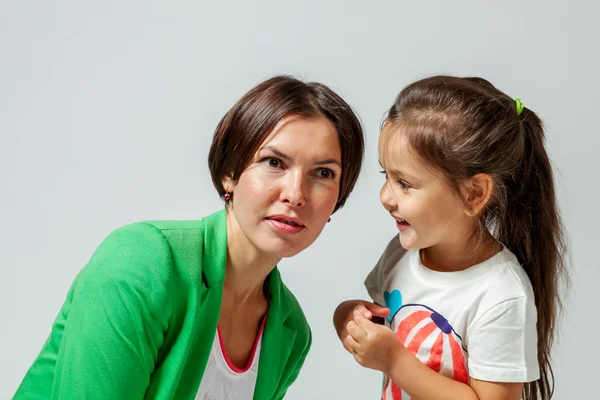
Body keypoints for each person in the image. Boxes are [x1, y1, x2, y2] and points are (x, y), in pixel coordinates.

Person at [15, 75, 364, 400]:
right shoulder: (143, 263)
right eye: (273, 162)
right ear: (230, 172)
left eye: (323, 173)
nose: (296, 194)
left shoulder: (290, 331)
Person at [334, 75, 567, 400]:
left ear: (473, 194)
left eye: (406, 183)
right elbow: (384, 320)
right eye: (387, 175)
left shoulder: (499, 295)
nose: (386, 196)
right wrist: (350, 317)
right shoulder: (399, 255)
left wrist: (394, 360)